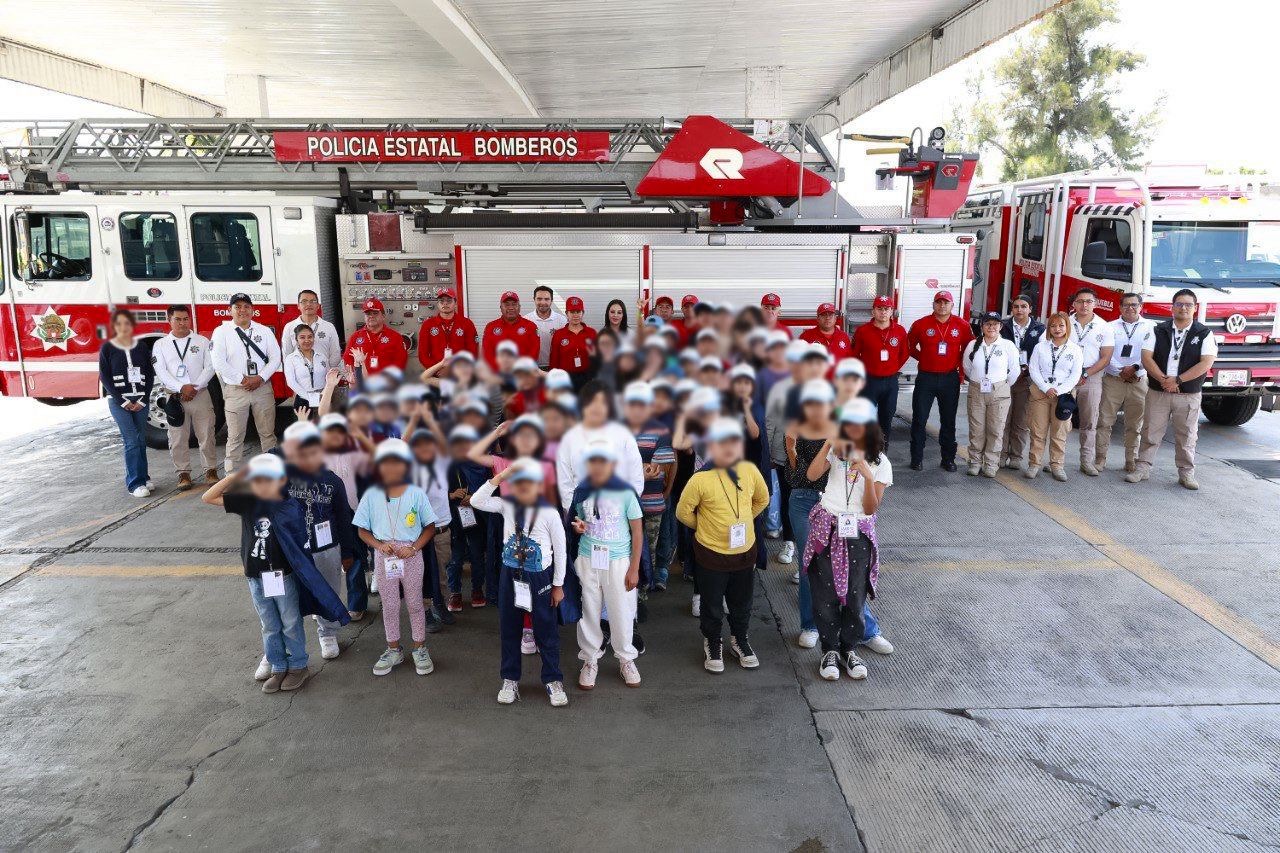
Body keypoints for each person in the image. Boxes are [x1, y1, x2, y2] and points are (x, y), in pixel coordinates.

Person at [202, 452, 348, 693]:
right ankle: (278, 665)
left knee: (290, 622)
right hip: (255, 577)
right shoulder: (248, 502)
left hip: (284, 576)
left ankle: (298, 665)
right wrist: (238, 475)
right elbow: (209, 497)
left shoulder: (290, 506)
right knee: (269, 623)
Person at [799, 398, 890, 681]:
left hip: (858, 532)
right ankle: (829, 650)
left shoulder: (880, 463)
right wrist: (828, 444)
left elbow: (872, 508)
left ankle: (849, 650)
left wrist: (864, 472)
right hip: (828, 526)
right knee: (824, 593)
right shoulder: (836, 455)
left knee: (855, 594)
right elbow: (811, 475)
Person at [471, 459, 570, 706]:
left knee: (546, 630)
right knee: (509, 629)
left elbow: (561, 550)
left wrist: (558, 585)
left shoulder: (548, 512)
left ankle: (552, 679)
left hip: (540, 578)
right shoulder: (507, 506)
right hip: (510, 576)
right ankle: (510, 679)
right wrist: (500, 475)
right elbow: (476, 501)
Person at [675, 417, 769, 674]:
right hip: (711, 553)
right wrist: (705, 527)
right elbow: (683, 512)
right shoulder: (699, 479)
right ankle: (713, 641)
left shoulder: (749, 470)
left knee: (742, 602)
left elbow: (763, 498)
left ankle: (739, 640)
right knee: (712, 603)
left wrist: (746, 519)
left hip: (744, 552)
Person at [352, 438, 439, 677]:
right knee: (389, 604)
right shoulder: (371, 494)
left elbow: (429, 527)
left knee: (414, 602)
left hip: (411, 555)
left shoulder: (416, 494)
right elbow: (362, 530)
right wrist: (379, 545)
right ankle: (393, 648)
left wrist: (414, 547)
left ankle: (420, 647)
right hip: (384, 556)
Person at [568, 439, 645, 689]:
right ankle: (590, 659)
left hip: (618, 561)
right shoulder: (582, 491)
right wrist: (578, 528)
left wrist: (634, 567)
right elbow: (577, 521)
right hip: (588, 559)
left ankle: (626, 658)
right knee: (589, 610)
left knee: (621, 610)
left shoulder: (625, 492)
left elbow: (637, 531)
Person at [280, 420, 356, 662]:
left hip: (327, 547)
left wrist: (348, 552)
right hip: (294, 550)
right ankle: (283, 643)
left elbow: (344, 518)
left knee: (330, 590)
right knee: (290, 598)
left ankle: (327, 633)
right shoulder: (283, 478)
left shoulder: (333, 482)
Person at [1131, 288, 1217, 490]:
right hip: (1158, 390)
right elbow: (1146, 357)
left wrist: (1177, 380)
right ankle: (1142, 468)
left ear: (1195, 309)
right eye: (1179, 304)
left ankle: (1186, 474)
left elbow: (1206, 363)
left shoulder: (1204, 333)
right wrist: (1164, 380)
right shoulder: (1158, 330)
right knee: (1150, 430)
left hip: (1187, 394)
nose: (1184, 308)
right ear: (1172, 307)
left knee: (1187, 435)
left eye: (1188, 305)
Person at [785, 380, 836, 650]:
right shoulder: (796, 429)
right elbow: (796, 477)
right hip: (804, 502)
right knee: (809, 564)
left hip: (834, 505)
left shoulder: (842, 430)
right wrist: (792, 450)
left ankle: (857, 627)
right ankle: (810, 625)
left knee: (841, 566)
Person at [211, 293, 281, 473]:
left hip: (262, 387)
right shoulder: (221, 332)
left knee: (267, 433)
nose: (242, 310)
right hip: (236, 390)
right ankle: (231, 475)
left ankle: (273, 472)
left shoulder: (263, 331)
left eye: (246, 307)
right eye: (238, 307)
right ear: (230, 310)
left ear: (253, 310)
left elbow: (275, 358)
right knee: (235, 436)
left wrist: (260, 378)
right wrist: (242, 379)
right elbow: (218, 361)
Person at [152, 305, 218, 490]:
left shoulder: (202, 341)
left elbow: (210, 367)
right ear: (169, 320)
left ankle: (210, 470)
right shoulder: (161, 345)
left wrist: (194, 387)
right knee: (177, 437)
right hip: (175, 397)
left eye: (185, 319)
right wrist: (182, 387)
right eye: (178, 319)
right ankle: (183, 473)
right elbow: (162, 372)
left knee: (206, 434)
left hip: (200, 394)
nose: (182, 323)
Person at [906, 290, 972, 472]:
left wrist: (960, 370)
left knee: (948, 421)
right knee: (919, 419)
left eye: (946, 302)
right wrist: (924, 357)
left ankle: (948, 459)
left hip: (949, 378)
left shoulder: (962, 325)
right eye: (939, 302)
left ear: (952, 305)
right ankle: (916, 459)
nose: (942, 306)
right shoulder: (921, 324)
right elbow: (909, 346)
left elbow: (969, 349)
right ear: (933, 304)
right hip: (925, 378)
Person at [621, 382, 677, 591]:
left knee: (647, 555)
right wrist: (637, 468)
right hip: (621, 506)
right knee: (624, 552)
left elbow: (656, 470)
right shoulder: (618, 429)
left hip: (650, 504)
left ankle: (641, 596)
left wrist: (627, 467)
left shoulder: (661, 431)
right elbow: (611, 466)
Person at [556, 380, 645, 509]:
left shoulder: (623, 436)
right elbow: (566, 484)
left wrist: (628, 510)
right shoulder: (569, 439)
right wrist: (574, 514)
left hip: (619, 514)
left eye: (603, 402)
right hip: (581, 515)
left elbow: (636, 477)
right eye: (591, 401)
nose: (596, 407)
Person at [99, 308, 155, 497]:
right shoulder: (107, 348)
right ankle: (134, 483)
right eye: (119, 323)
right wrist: (122, 401)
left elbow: (149, 375)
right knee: (131, 440)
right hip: (119, 403)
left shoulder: (140, 347)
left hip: (140, 401)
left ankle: (144, 477)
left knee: (140, 440)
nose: (124, 327)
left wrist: (143, 399)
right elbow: (104, 377)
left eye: (127, 323)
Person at [1097, 293, 1155, 473]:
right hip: (1113, 379)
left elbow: (1152, 354)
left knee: (1134, 425)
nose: (1130, 308)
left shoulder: (1151, 327)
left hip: (1138, 381)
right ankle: (1100, 459)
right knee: (1105, 422)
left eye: (1134, 305)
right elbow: (1105, 352)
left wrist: (1135, 368)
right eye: (1126, 305)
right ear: (1120, 307)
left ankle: (1131, 460)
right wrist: (1120, 370)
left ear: (1141, 307)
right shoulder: (1109, 327)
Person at [962, 311, 1022, 477]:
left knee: (995, 429)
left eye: (995, 324)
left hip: (999, 391)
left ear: (1000, 326)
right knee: (977, 429)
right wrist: (978, 379)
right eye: (988, 324)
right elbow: (967, 366)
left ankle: (991, 464)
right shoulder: (973, 344)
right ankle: (974, 462)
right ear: (982, 326)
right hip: (976, 389)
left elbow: (1014, 371)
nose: (991, 327)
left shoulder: (1008, 346)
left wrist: (1001, 385)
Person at [1027, 312, 1084, 481]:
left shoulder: (1075, 349)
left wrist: (1058, 390)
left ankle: (1057, 465)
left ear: (1067, 327)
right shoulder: (1040, 347)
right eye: (1053, 326)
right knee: (1038, 430)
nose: (1057, 329)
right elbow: (1033, 369)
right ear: (1049, 328)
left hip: (1063, 395)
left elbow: (1075, 375)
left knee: (1060, 431)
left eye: (1061, 325)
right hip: (1041, 393)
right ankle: (1034, 464)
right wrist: (1046, 387)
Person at [1068, 288, 1116, 476]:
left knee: (1089, 422)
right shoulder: (1065, 323)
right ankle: (1056, 460)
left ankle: (1086, 461)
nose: (1084, 305)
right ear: (1074, 304)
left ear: (1095, 304)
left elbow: (1106, 357)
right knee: (1061, 420)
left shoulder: (1104, 327)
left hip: (1091, 376)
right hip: (1066, 377)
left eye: (1088, 301)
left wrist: (1086, 374)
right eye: (1080, 301)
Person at [850, 296, 910, 439]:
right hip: (869, 381)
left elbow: (905, 354)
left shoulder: (900, 331)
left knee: (887, 417)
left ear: (891, 312)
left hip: (890, 382)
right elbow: (854, 354)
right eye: (879, 309)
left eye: (886, 309)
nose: (883, 312)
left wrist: (892, 368)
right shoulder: (863, 331)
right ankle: (864, 455)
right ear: (873, 312)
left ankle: (882, 454)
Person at [999, 295, 1045, 469]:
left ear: (1030, 309)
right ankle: (1001, 454)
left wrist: (1026, 371)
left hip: (1026, 380)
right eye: (1016, 306)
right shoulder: (1002, 326)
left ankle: (1016, 456)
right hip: (1005, 379)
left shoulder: (1040, 328)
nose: (1019, 310)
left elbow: (1042, 354)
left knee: (1021, 420)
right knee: (1003, 419)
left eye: (1023, 306)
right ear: (1012, 309)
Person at [343, 297, 409, 376]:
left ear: (383, 316)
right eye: (368, 314)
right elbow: (348, 360)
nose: (371, 316)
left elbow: (400, 363)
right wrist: (355, 376)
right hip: (361, 383)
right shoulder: (355, 337)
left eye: (375, 313)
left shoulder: (395, 337)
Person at [417, 288, 480, 367]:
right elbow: (423, 354)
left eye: (449, 300)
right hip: (436, 373)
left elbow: (473, 351)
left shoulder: (467, 323)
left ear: (455, 303)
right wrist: (436, 369)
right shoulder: (428, 325)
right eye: (441, 301)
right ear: (437, 304)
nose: (445, 303)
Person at [281, 289, 342, 367]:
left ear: (318, 306)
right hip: (300, 376)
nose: (308, 304)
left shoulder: (329, 327)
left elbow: (335, 353)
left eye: (313, 301)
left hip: (324, 375)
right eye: (304, 301)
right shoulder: (289, 327)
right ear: (298, 306)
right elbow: (287, 354)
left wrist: (329, 373)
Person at [482, 291, 541, 370]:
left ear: (519, 307)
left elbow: (534, 352)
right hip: (498, 375)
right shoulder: (490, 327)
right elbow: (487, 353)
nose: (511, 308)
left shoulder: (531, 326)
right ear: (500, 307)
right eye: (506, 305)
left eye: (514, 304)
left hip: (523, 375)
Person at [548, 296, 597, 388]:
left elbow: (596, 358)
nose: (575, 315)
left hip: (587, 378)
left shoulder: (591, 333)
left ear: (583, 313)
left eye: (578, 311)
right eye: (572, 312)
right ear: (566, 313)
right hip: (565, 379)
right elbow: (554, 359)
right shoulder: (559, 334)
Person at [283, 324, 332, 413]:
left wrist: (325, 394)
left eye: (310, 337)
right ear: (296, 340)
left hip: (323, 397)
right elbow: (291, 382)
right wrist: (309, 397)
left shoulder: (322, 356)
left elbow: (328, 377)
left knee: (324, 426)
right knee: (306, 426)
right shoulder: (291, 359)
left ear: (314, 338)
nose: (307, 340)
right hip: (302, 399)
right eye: (302, 337)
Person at [524, 284, 568, 366]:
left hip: (556, 366)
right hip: (533, 368)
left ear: (551, 300)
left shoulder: (562, 320)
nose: (543, 302)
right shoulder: (526, 320)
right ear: (534, 300)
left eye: (546, 299)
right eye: (539, 299)